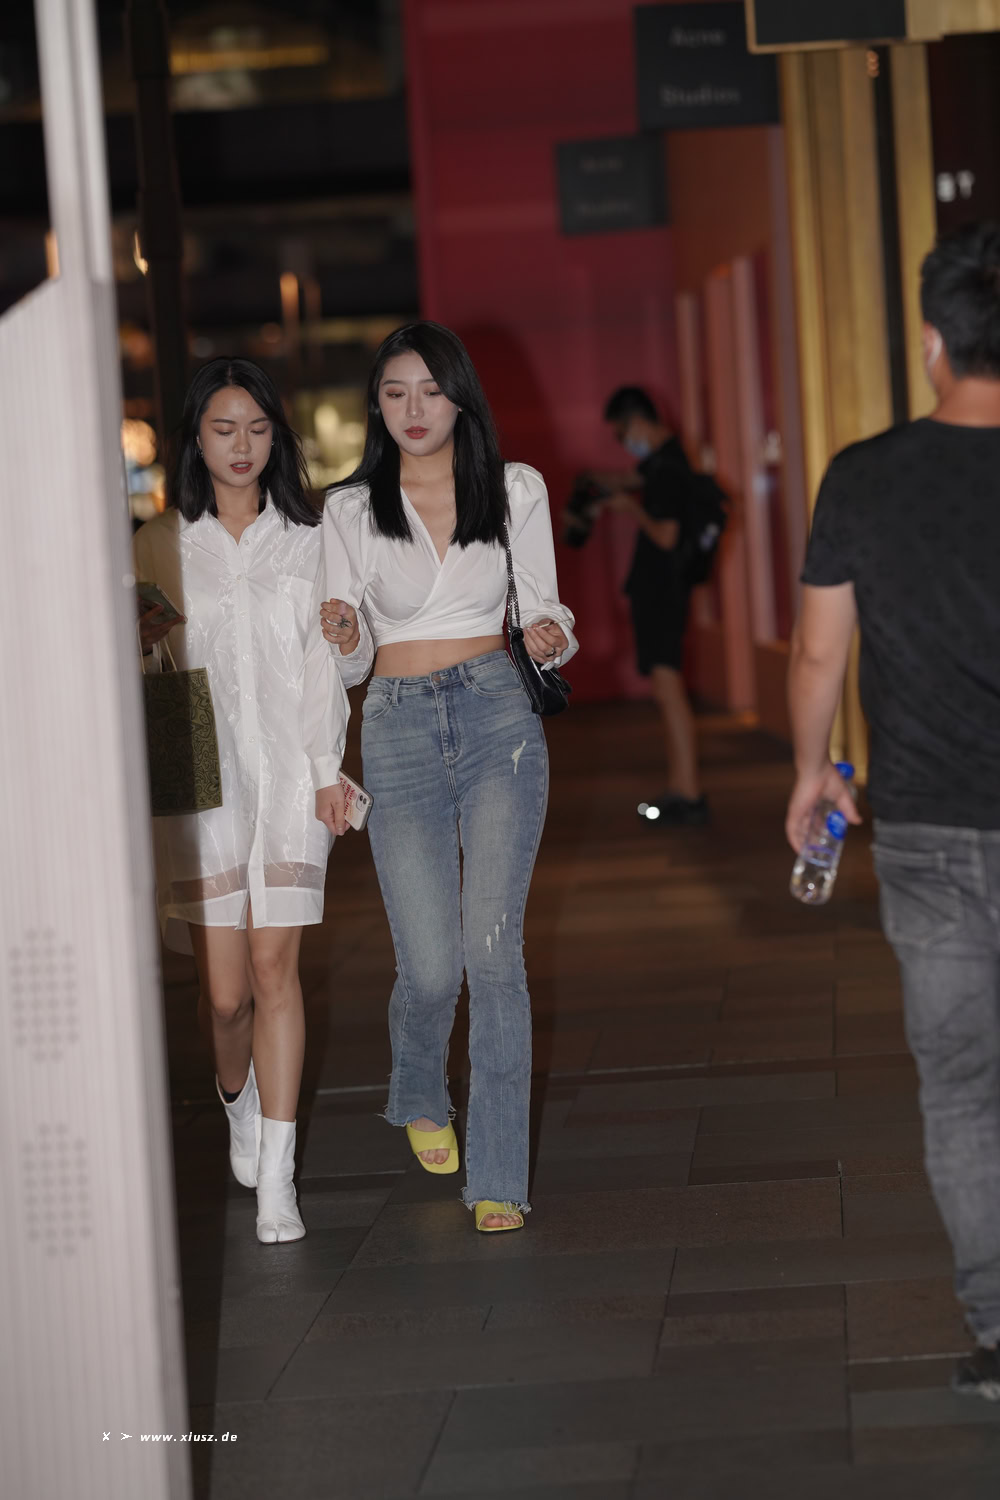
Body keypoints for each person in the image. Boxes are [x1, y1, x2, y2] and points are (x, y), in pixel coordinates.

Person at [786, 222, 1000, 1401]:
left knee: (963, 1088)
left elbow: (819, 654)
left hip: (923, 826)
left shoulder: (863, 476)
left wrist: (811, 770)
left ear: (931, 341)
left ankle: (998, 1331)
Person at [304, 321, 578, 1233]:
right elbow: (346, 661)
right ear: (376, 406)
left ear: (460, 396)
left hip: (498, 716)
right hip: (397, 726)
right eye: (394, 393)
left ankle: (498, 1176)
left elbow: (543, 609)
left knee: (494, 954)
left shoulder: (514, 488)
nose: (413, 409)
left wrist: (550, 635)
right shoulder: (348, 509)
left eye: (430, 390)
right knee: (429, 967)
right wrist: (347, 635)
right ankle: (420, 1085)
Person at [135, 357, 371, 1245]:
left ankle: (279, 1178)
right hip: (201, 782)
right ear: (195, 438)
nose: (242, 446)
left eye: (258, 428)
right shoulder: (158, 543)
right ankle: (237, 1099)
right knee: (226, 996)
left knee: (276, 972)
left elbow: (333, 666)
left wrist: (327, 770)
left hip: (290, 775)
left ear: (279, 436)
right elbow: (148, 674)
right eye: (223, 428)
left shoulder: (310, 539)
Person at [602, 386, 707, 826]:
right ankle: (682, 787)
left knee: (669, 688)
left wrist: (631, 509)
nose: (624, 441)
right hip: (662, 589)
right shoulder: (665, 461)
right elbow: (632, 478)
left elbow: (666, 535)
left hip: (663, 591)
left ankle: (688, 792)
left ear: (638, 421)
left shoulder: (669, 469)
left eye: (622, 432)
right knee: (666, 690)